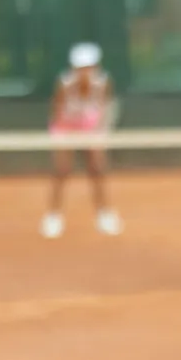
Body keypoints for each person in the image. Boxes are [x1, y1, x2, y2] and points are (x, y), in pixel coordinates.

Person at [42, 42, 122, 239]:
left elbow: (105, 106)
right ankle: (53, 216)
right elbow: (57, 110)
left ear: (96, 66)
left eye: (89, 66)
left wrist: (100, 130)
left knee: (97, 169)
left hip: (91, 128)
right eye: (81, 67)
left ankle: (104, 215)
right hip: (65, 128)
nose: (85, 71)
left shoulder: (103, 82)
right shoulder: (64, 83)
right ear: (74, 68)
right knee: (61, 170)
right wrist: (66, 133)